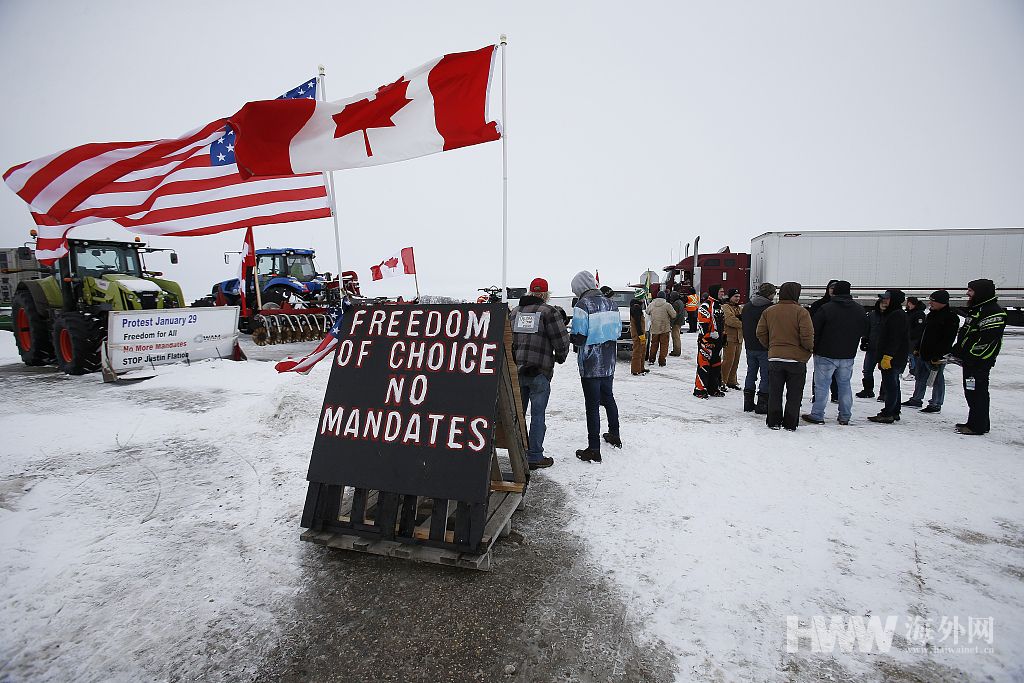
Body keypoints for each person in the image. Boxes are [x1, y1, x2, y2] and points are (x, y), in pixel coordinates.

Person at [510, 278, 570, 469]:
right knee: (537, 415)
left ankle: (516, 451)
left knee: (517, 414)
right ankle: (535, 455)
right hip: (540, 371)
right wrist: (561, 357)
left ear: (529, 292)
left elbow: (509, 339)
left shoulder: (515, 312)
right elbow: (561, 340)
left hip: (518, 370)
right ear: (545, 294)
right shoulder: (549, 312)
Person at [570, 271, 622, 462]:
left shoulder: (582, 305)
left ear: (580, 288)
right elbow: (617, 331)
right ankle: (614, 434)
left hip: (591, 363)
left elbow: (579, 337)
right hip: (609, 361)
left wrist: (569, 336)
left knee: (592, 405)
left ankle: (593, 448)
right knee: (608, 397)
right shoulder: (611, 303)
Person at [950, 279, 1007, 435]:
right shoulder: (978, 309)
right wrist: (956, 351)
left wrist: (971, 357)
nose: (968, 293)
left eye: (971, 290)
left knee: (977, 393)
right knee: (971, 391)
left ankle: (977, 426)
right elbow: (967, 334)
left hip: (979, 362)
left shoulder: (993, 312)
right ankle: (976, 422)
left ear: (981, 292)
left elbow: (987, 340)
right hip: (970, 362)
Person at [802, 280, 863, 426]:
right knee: (845, 385)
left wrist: (814, 347)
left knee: (822, 386)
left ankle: (817, 414)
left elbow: (814, 329)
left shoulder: (826, 308)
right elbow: (864, 329)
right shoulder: (859, 309)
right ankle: (845, 415)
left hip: (825, 353)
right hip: (848, 354)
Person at [756, 282, 814, 430]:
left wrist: (772, 346)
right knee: (794, 394)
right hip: (796, 359)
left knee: (775, 392)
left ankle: (774, 421)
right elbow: (807, 336)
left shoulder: (769, 311)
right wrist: (808, 350)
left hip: (775, 357)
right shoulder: (801, 312)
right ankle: (790, 422)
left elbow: (760, 333)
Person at [903, 289, 959, 413]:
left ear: (942, 302)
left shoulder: (950, 317)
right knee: (920, 377)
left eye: (933, 301)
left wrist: (938, 355)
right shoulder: (931, 314)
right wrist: (917, 348)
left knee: (937, 379)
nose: (930, 303)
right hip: (923, 353)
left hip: (936, 356)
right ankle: (916, 399)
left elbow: (948, 339)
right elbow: (923, 333)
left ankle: (936, 403)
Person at [868, 289, 909, 424]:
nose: (883, 300)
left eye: (887, 298)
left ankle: (888, 413)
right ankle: (894, 411)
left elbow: (894, 338)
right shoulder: (893, 313)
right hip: (893, 356)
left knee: (890, 386)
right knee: (894, 384)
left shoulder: (896, 315)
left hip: (893, 358)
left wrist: (888, 356)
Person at [741, 282, 776, 413]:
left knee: (751, 373)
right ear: (770, 294)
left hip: (750, 345)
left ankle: (748, 403)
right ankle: (762, 405)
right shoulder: (770, 309)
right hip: (764, 346)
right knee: (765, 375)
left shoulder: (747, 306)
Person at [808, 279, 839, 404]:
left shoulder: (845, 306)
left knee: (838, 373)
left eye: (835, 288)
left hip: (839, 344)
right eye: (831, 288)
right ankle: (817, 395)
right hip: (822, 345)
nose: (832, 290)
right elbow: (811, 325)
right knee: (820, 373)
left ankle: (836, 394)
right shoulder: (818, 305)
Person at [694, 284, 726, 398]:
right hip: (706, 341)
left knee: (716, 366)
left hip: (718, 342)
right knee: (704, 365)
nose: (723, 293)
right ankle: (700, 389)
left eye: (723, 291)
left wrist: (723, 335)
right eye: (721, 291)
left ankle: (714, 388)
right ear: (714, 292)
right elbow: (702, 323)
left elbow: (722, 322)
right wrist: (709, 334)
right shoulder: (706, 305)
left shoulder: (720, 305)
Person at [856, 295, 887, 399]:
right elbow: (866, 329)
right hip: (872, 347)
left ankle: (884, 393)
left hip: (885, 349)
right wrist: (864, 340)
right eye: (881, 302)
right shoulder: (872, 315)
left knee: (885, 371)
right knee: (867, 370)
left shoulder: (891, 316)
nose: (883, 305)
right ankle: (868, 390)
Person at [721, 288, 744, 390]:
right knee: (728, 361)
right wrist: (743, 323)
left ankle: (732, 381)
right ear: (730, 297)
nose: (737, 298)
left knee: (736, 361)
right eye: (735, 296)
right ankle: (722, 381)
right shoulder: (725, 307)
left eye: (738, 296)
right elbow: (730, 320)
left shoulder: (739, 308)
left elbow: (743, 317)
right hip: (729, 338)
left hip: (739, 338)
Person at [646, 291, 676, 366]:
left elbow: (647, 312)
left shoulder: (652, 304)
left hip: (654, 328)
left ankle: (651, 359)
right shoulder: (667, 305)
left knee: (654, 344)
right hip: (664, 328)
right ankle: (662, 361)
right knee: (664, 345)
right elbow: (673, 315)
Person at [905, 296, 926, 379]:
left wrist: (911, 335)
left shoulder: (919, 314)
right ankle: (913, 371)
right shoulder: (910, 313)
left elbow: (919, 328)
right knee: (910, 356)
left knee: (913, 356)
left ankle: (914, 372)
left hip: (915, 340)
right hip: (910, 339)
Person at [629, 296, 649, 375]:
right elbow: (637, 323)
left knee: (642, 350)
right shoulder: (636, 308)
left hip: (639, 333)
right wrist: (641, 334)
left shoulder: (636, 307)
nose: (644, 300)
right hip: (638, 334)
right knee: (637, 351)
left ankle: (641, 367)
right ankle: (636, 369)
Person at [669, 290, 685, 356]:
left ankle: (676, 351)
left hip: (676, 322)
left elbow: (674, 315)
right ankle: (677, 350)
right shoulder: (680, 302)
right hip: (680, 321)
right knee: (677, 336)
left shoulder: (676, 303)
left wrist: (671, 323)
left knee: (675, 337)